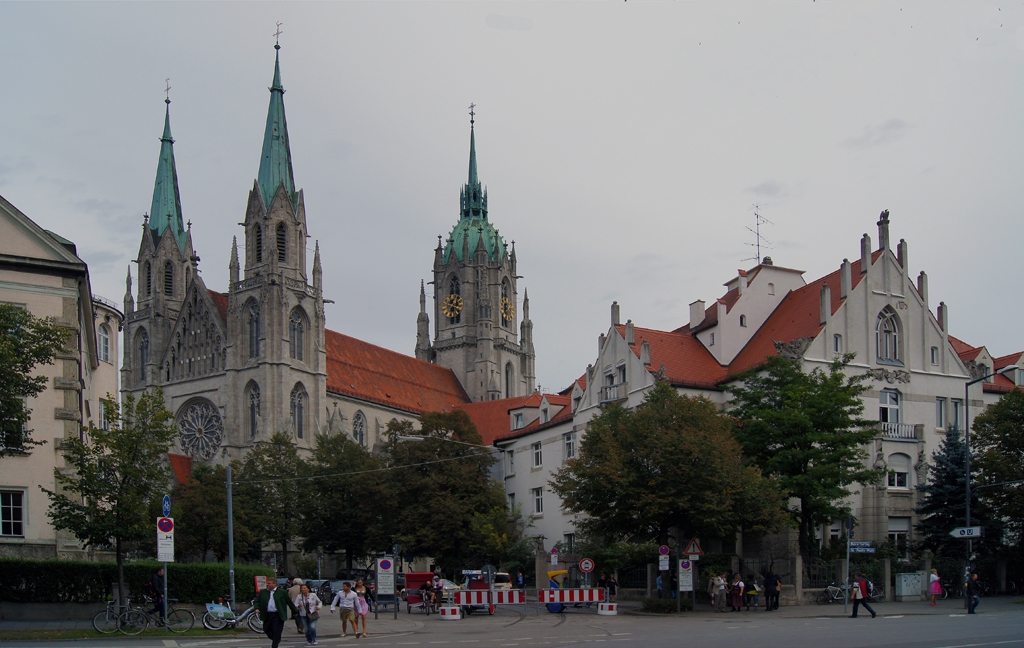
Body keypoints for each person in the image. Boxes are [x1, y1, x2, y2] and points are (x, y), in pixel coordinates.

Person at [257, 578, 299, 648]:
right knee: (266, 629)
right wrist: (257, 608)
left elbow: (289, 602)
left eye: (269, 583)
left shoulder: (282, 592)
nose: (267, 584)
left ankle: (275, 645)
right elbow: (257, 601)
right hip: (267, 614)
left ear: (274, 584)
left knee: (277, 630)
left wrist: (295, 611)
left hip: (278, 615)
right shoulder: (263, 592)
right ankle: (276, 639)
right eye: (267, 583)